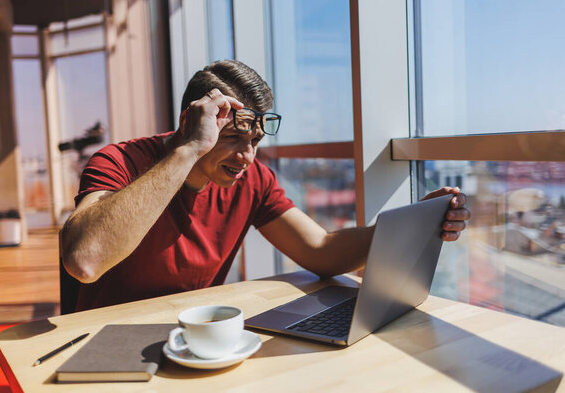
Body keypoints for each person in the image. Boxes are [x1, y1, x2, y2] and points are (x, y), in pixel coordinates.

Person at [61, 60, 470, 311]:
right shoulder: (118, 161)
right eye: (233, 138)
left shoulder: (250, 179)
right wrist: (189, 149)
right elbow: (85, 259)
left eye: (255, 141)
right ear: (191, 122)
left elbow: (320, 251)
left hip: (193, 341)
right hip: (107, 343)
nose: (247, 157)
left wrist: (413, 223)